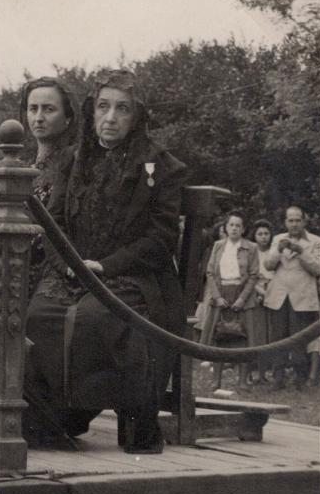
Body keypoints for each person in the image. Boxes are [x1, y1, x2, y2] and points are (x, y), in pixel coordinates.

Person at [24, 70, 188, 453]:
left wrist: (106, 266)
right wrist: (68, 262)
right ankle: (53, 420)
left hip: (133, 277)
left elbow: (161, 240)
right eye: (103, 107)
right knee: (39, 317)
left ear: (137, 116)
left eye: (122, 109)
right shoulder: (73, 160)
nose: (111, 117)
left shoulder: (161, 166)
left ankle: (91, 414)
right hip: (71, 271)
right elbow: (53, 221)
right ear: (91, 112)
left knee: (94, 318)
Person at [263, 205, 320, 388]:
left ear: (304, 221)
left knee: (300, 338)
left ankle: (300, 377)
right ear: (285, 222)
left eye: (298, 220)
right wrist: (278, 251)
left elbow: (319, 269)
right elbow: (268, 265)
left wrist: (301, 252)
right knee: (278, 338)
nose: (294, 224)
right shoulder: (277, 239)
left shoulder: (316, 241)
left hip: (302, 296)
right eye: (290, 220)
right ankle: (278, 377)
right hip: (279, 296)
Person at [198, 212, 262, 375]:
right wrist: (217, 297)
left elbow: (254, 275)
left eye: (238, 225)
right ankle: (216, 379)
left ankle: (242, 379)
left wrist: (242, 299)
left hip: (242, 296)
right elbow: (210, 272)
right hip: (221, 294)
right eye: (231, 225)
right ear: (225, 228)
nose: (234, 228)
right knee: (220, 336)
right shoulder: (218, 245)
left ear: (243, 229)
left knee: (244, 338)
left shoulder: (251, 247)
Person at [249, 218, 277, 384]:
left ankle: (265, 372)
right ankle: (253, 373)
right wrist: (260, 292)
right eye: (260, 233)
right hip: (255, 294)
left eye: (266, 233)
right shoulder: (252, 251)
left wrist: (269, 292)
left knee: (270, 335)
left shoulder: (274, 252)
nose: (263, 237)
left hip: (273, 292)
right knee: (256, 335)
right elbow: (249, 276)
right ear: (255, 235)